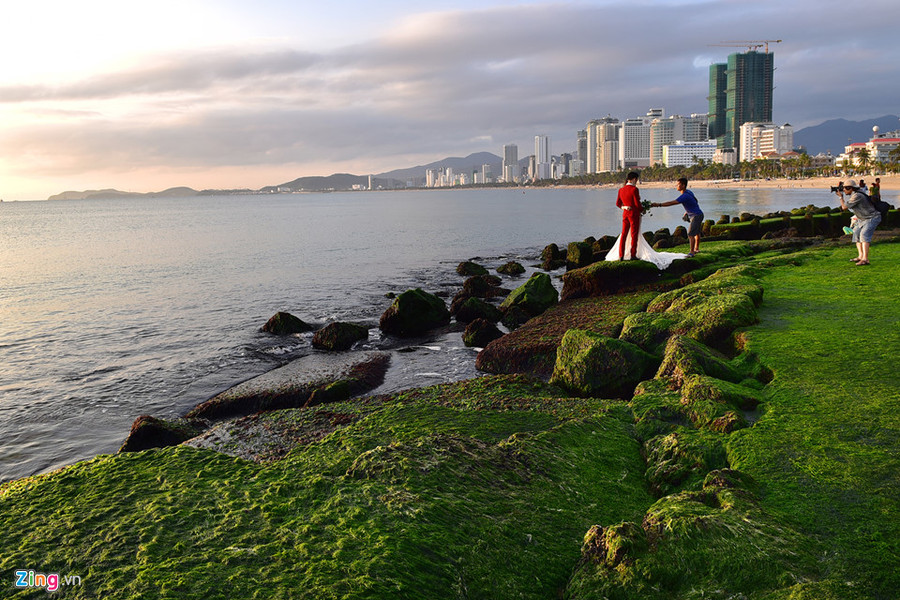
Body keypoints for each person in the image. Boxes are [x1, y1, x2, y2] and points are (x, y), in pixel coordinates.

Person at [650, 177, 704, 257]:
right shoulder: (688, 192)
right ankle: (696, 248)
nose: (676, 186)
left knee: (690, 234)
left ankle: (692, 252)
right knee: (696, 232)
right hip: (699, 214)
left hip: (695, 216)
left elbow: (672, 203)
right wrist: (687, 211)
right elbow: (695, 200)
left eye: (678, 184)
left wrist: (659, 204)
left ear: (683, 185)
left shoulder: (684, 195)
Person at [836, 179, 881, 265]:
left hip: (872, 217)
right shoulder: (855, 194)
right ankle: (860, 256)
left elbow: (844, 207)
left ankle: (865, 259)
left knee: (864, 235)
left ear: (851, 188)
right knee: (856, 234)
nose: (844, 190)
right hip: (862, 219)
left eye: (845, 188)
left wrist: (841, 197)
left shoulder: (857, 196)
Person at [616, 171, 642, 260]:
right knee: (634, 235)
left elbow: (618, 204)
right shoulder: (634, 189)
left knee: (624, 234)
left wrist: (624, 207)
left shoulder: (621, 190)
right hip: (634, 214)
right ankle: (633, 255)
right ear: (634, 179)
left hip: (625, 215)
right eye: (636, 180)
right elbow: (637, 204)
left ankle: (621, 255)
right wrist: (642, 209)